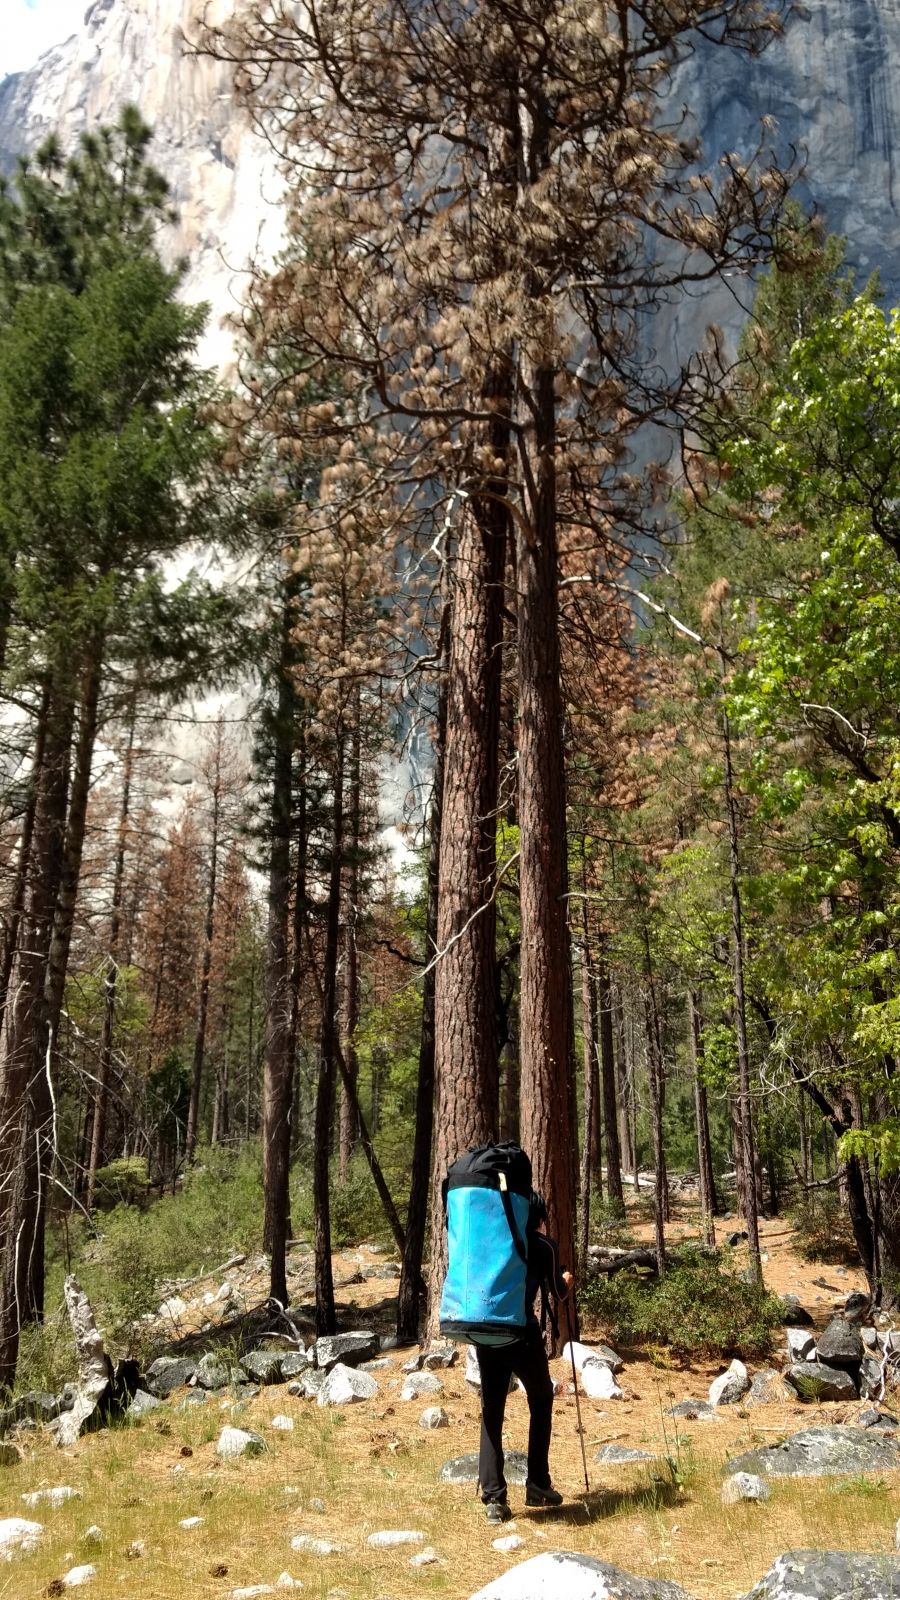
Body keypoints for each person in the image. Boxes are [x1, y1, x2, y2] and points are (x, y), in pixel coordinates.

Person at [471, 1190, 573, 1523]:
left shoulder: (492, 1241)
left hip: (487, 1334)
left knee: (492, 1408)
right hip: (522, 1335)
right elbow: (558, 1293)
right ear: (538, 1216)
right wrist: (567, 1279)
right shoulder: (543, 1246)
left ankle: (494, 1499)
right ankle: (538, 1484)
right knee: (541, 1398)